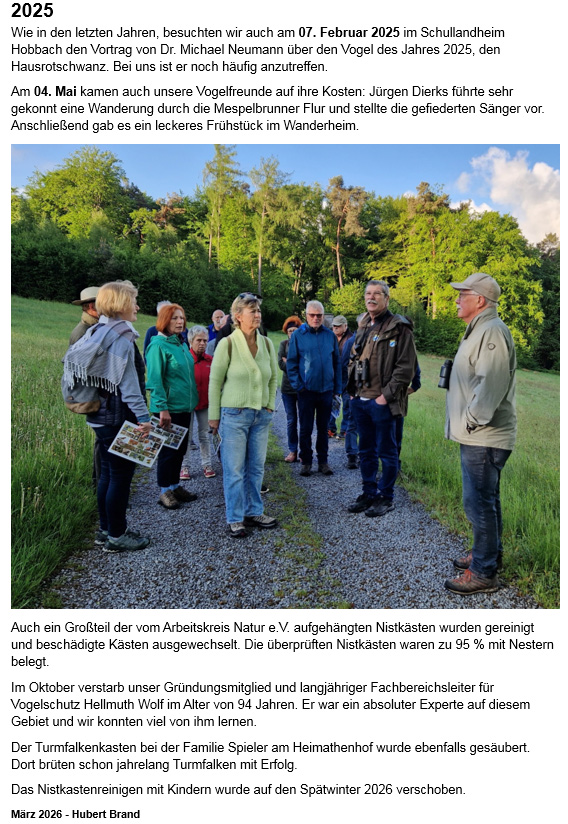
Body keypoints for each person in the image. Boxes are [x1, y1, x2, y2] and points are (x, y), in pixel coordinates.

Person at [63, 280, 152, 552]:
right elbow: (129, 386)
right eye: (133, 301)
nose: (137, 306)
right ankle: (117, 535)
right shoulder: (121, 336)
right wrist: (144, 418)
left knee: (107, 476)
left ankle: (105, 530)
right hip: (116, 418)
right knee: (120, 477)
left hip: (99, 417)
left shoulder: (99, 330)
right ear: (121, 304)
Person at [443, 273, 517, 595]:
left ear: (480, 300)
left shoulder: (491, 331)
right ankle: (489, 555)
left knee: (478, 504)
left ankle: (484, 573)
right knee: (487, 501)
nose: (457, 298)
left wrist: (471, 421)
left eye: (463, 293)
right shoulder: (478, 329)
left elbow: (491, 384)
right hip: (478, 435)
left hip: (484, 436)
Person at [208, 292, 278, 538]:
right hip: (234, 415)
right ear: (238, 316)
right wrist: (214, 417)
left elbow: (273, 377)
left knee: (256, 467)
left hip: (261, 416)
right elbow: (215, 382)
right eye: (252, 311)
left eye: (258, 310)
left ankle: (254, 510)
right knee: (234, 469)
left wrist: (269, 405)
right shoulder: (227, 343)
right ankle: (235, 518)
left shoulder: (267, 343)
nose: (257, 315)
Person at [346, 280, 417, 517]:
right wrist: (352, 391)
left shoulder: (400, 327)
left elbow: (405, 369)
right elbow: (354, 358)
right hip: (360, 400)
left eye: (377, 293)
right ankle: (368, 492)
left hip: (382, 403)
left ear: (387, 299)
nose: (371, 297)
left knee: (387, 451)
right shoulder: (363, 323)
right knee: (365, 450)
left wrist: (384, 398)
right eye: (368, 293)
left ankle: (386, 496)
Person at [145, 304, 199, 510]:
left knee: (180, 449)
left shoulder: (181, 344)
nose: (180, 322)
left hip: (184, 407)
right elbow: (155, 380)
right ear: (164, 321)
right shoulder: (158, 345)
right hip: (167, 409)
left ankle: (175, 486)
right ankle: (164, 491)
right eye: (175, 318)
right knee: (167, 451)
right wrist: (162, 409)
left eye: (182, 318)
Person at [286, 300, 342, 477]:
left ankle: (323, 462)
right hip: (306, 391)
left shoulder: (329, 335)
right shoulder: (298, 335)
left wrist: (337, 388)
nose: (316, 318)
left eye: (319, 315)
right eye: (312, 315)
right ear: (306, 315)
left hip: (326, 390)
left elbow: (337, 363)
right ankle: (306, 462)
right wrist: (299, 386)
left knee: (324, 428)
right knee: (306, 428)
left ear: (323, 316)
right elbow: (292, 364)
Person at [187, 325, 215, 478]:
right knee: (187, 435)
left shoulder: (210, 360)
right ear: (191, 341)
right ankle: (184, 466)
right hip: (188, 403)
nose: (202, 343)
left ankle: (207, 464)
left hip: (205, 403)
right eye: (199, 340)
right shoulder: (185, 358)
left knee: (204, 434)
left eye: (205, 340)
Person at [277, 316, 303, 462]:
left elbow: (306, 365)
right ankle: (293, 450)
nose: (292, 333)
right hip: (287, 389)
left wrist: (290, 363)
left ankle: (304, 451)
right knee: (291, 420)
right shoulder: (283, 344)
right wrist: (295, 365)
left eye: (295, 330)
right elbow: (281, 364)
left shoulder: (304, 344)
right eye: (290, 330)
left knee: (304, 420)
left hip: (302, 388)